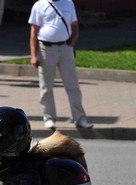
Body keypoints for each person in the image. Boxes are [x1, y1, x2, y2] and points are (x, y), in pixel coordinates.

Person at [28, 0, 92, 132]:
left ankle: (80, 118)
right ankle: (49, 117)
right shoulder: (39, 5)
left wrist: (71, 43)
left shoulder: (68, 3)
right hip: (46, 49)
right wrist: (34, 55)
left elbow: (74, 26)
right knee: (46, 87)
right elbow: (34, 32)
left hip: (65, 47)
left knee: (72, 85)